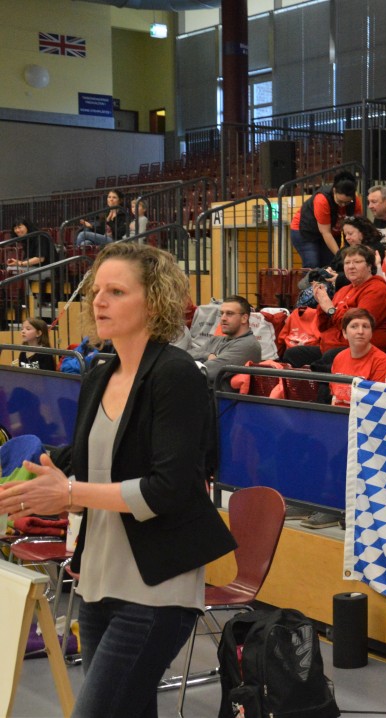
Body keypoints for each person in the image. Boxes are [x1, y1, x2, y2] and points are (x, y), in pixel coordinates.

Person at [0, 242, 237, 716]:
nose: (99, 301)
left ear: (154, 301)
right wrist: (38, 481)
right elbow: (84, 462)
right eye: (96, 291)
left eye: (116, 291)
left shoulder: (177, 375)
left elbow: (167, 488)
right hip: (96, 580)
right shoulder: (99, 373)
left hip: (156, 586)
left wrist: (69, 491)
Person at [283, 245, 386, 368]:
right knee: (292, 354)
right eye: (347, 263)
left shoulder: (377, 289)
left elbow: (357, 325)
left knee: (326, 360)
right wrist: (322, 304)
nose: (351, 266)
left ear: (369, 266)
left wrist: (331, 309)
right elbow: (323, 326)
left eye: (357, 262)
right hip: (331, 346)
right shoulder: (344, 290)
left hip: (359, 350)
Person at [289, 171, 363, 269]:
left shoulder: (355, 202)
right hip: (305, 230)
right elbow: (326, 232)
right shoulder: (322, 199)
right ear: (334, 191)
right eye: (340, 201)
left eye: (347, 202)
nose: (343, 205)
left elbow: (356, 228)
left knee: (331, 265)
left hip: (331, 232)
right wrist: (341, 256)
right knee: (313, 263)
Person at [186, 295, 262, 384]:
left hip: (213, 392)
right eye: (222, 313)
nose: (223, 318)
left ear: (244, 318)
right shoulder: (215, 340)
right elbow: (184, 356)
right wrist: (206, 355)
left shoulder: (248, 345)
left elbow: (204, 372)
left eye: (229, 313)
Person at [329, 308, 386, 406]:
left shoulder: (381, 361)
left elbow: (377, 402)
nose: (360, 331)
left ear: (371, 333)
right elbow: (334, 396)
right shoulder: (339, 358)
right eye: (354, 326)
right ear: (344, 333)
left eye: (365, 326)